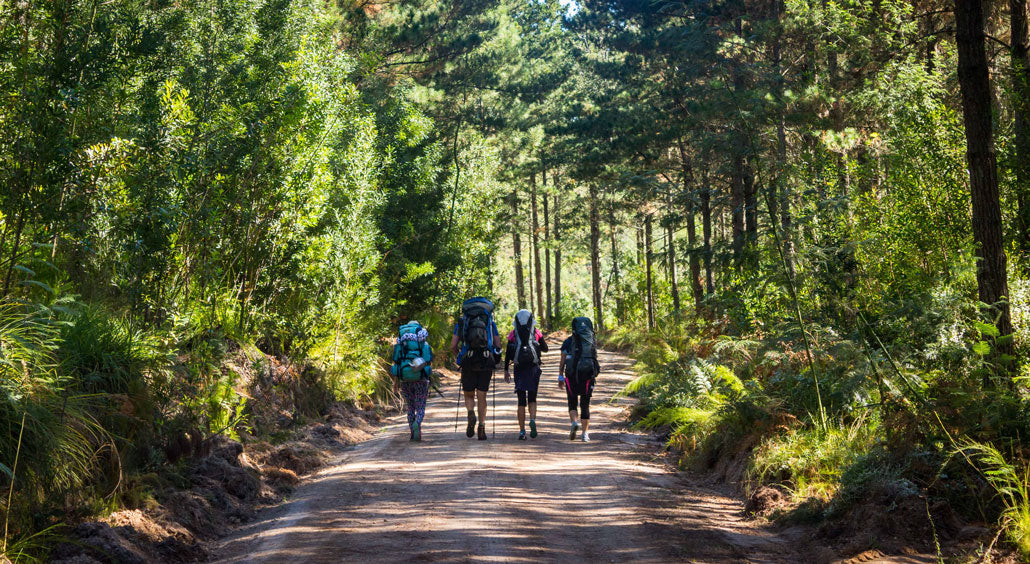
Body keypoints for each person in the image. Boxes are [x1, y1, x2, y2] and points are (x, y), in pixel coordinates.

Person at [450, 297, 502, 440]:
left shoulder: (462, 322)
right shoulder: (490, 323)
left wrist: (460, 356)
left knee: (468, 394)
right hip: (486, 359)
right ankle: (481, 427)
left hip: (468, 359)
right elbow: (498, 345)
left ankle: (470, 412)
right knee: (482, 395)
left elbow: (453, 345)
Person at [504, 309, 549, 440]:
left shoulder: (513, 334)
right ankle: (533, 420)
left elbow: (508, 354)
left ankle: (522, 431)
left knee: (521, 400)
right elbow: (546, 348)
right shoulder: (536, 332)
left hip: (519, 368)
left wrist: (506, 370)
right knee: (533, 397)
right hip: (533, 368)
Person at [390, 320, 434, 442]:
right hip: (421, 380)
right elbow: (428, 361)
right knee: (420, 406)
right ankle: (417, 423)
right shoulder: (423, 344)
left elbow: (396, 363)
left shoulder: (400, 345)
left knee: (410, 407)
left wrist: (395, 383)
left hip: (405, 380)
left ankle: (412, 432)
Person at [558, 317, 599, 442]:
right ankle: (585, 434)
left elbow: (563, 360)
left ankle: (574, 423)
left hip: (571, 376)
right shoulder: (591, 340)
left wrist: (560, 375)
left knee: (572, 402)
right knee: (585, 405)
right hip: (587, 376)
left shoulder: (568, 342)